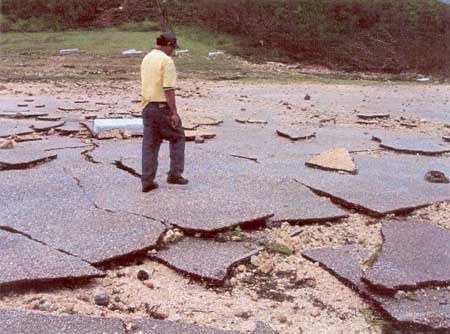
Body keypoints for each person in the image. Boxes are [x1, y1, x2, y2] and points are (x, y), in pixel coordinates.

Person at [140, 31, 189, 193]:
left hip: (147, 107)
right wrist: (174, 112)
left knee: (150, 144)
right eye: (173, 48)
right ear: (168, 45)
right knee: (178, 136)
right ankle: (175, 174)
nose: (173, 51)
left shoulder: (147, 58)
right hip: (162, 107)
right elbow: (168, 88)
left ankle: (147, 180)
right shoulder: (166, 61)